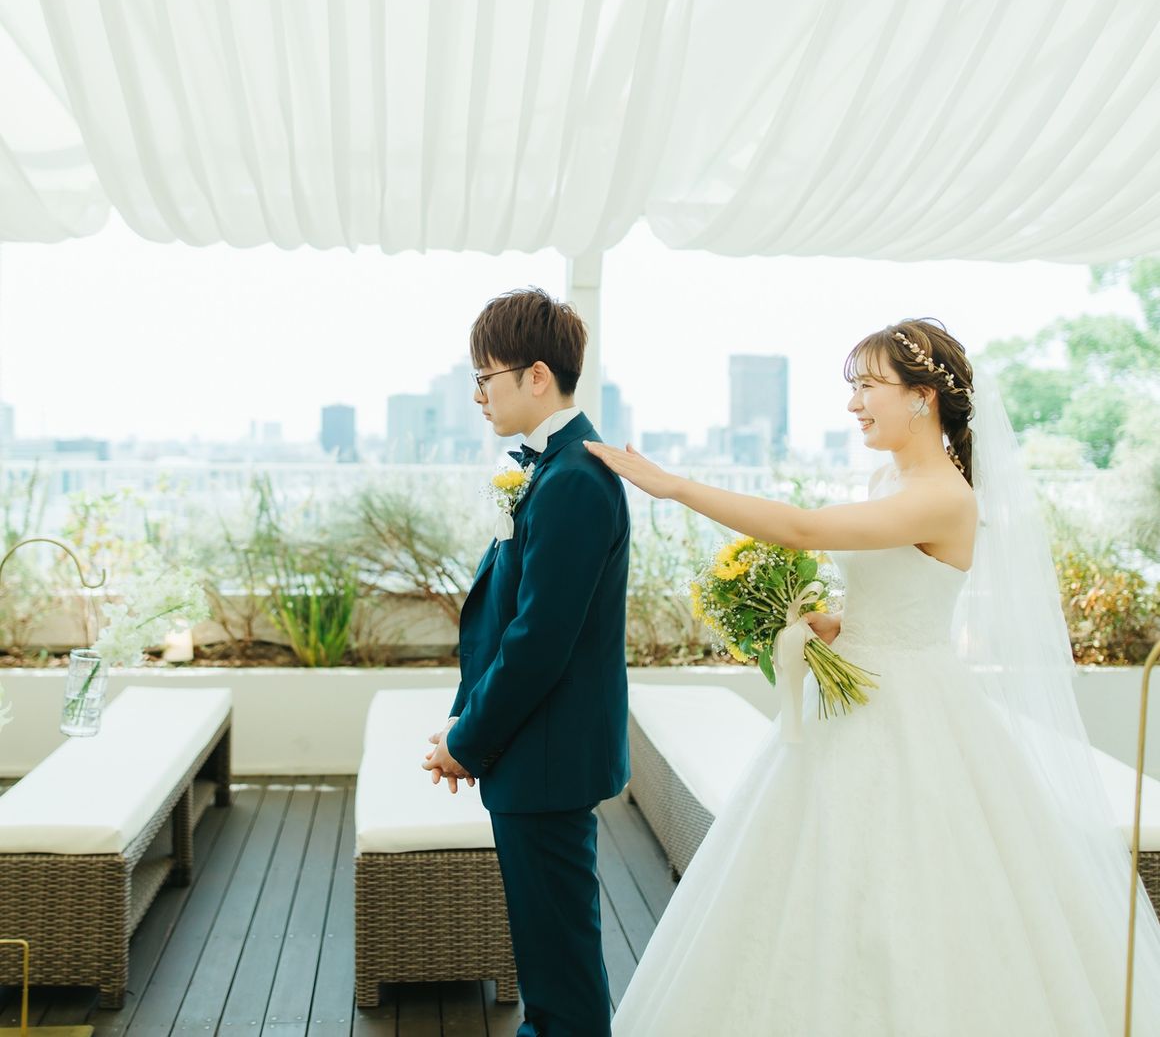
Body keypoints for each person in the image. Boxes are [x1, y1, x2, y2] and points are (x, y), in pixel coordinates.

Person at [585, 318, 1160, 1036]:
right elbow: (896, 586)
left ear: (922, 396)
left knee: (905, 884)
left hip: (912, 706)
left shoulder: (945, 496)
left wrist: (673, 486)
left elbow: (802, 529)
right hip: (845, 699)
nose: (853, 404)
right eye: (852, 388)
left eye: (867, 387)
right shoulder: (889, 477)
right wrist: (835, 622)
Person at [423, 287, 631, 1037]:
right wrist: (465, 726)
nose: (478, 395)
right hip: (536, 752)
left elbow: (539, 641)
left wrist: (467, 739)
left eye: (486, 377)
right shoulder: (555, 468)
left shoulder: (574, 479)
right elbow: (509, 617)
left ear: (536, 376)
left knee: (561, 976)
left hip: (548, 755)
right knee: (549, 962)